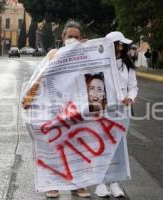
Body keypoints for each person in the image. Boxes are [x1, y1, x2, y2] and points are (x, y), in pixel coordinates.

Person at [22, 20, 91, 199]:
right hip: (53, 108)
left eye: (77, 37)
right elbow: (40, 76)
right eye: (70, 36)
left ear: (82, 38)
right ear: (63, 38)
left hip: (77, 110)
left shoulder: (86, 55)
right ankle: (52, 185)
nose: (73, 39)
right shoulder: (53, 54)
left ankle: (78, 185)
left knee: (77, 146)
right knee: (53, 146)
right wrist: (29, 96)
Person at [94, 31, 138, 198]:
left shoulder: (127, 65)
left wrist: (130, 98)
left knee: (119, 146)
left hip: (123, 111)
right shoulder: (99, 64)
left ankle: (115, 183)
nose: (122, 46)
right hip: (104, 111)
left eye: (123, 44)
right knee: (103, 146)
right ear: (112, 45)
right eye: (119, 43)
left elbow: (133, 86)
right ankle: (101, 183)